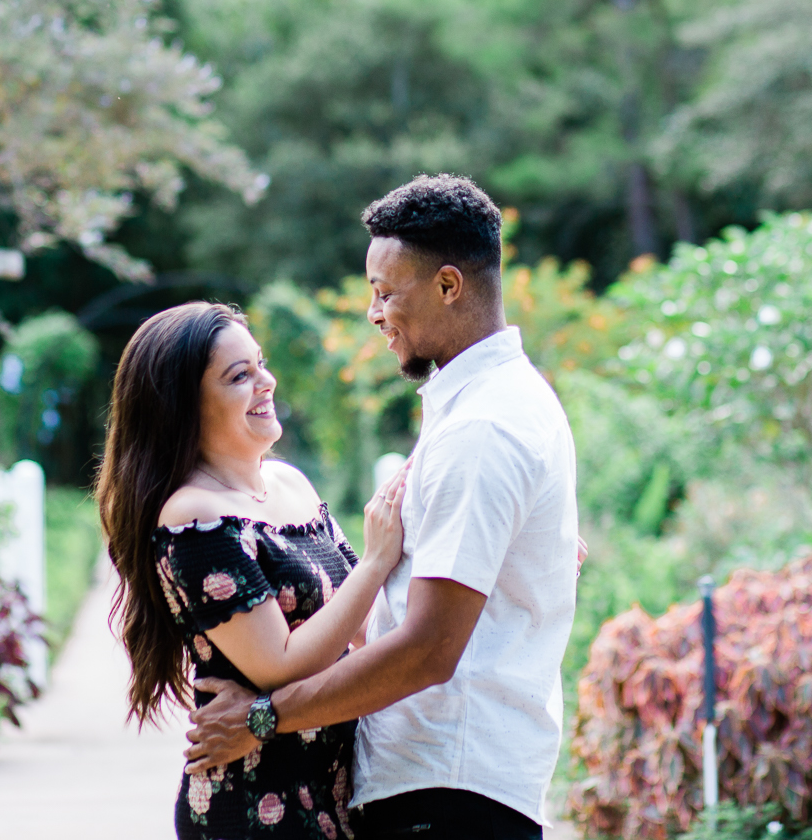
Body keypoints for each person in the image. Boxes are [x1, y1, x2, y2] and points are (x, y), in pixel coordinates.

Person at [186, 174, 581, 840]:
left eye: (384, 291)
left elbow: (429, 648)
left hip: (449, 792)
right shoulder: (498, 402)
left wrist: (262, 716)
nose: (373, 311)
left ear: (449, 285)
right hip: (451, 785)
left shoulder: (482, 428)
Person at [97, 300, 411, 839]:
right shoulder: (193, 516)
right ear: (184, 406)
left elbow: (364, 623)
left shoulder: (290, 484)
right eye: (239, 375)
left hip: (339, 791)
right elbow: (278, 664)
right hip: (254, 808)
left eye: (259, 364)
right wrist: (378, 559)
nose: (265, 381)